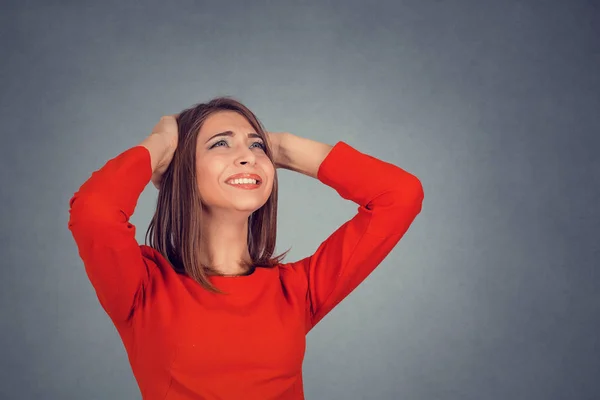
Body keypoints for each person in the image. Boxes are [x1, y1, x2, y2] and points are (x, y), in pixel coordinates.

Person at [68, 97, 424, 400]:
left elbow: (399, 195)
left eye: (257, 146)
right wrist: (160, 142)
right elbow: (93, 212)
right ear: (180, 170)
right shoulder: (143, 287)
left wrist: (282, 147)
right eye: (220, 144)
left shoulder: (297, 291)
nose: (248, 157)